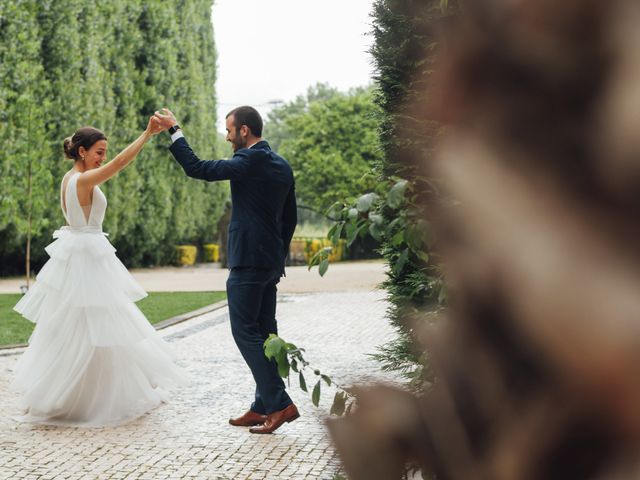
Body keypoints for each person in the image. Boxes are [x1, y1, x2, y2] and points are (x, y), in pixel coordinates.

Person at [10, 119, 189, 427]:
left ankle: (75, 394)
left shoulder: (69, 178)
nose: (103, 157)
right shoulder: (81, 180)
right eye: (98, 152)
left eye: (104, 152)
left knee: (81, 325)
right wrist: (147, 133)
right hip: (87, 257)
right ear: (82, 151)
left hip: (79, 252)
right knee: (96, 323)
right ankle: (91, 398)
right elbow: (121, 162)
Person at [153, 106, 299, 434]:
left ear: (244, 130)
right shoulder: (282, 165)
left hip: (247, 260)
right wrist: (278, 255)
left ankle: (279, 404)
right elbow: (290, 219)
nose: (227, 136)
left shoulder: (248, 160)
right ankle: (262, 406)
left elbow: (198, 168)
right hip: (270, 263)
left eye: (230, 130)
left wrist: (174, 129)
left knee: (244, 331)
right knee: (264, 334)